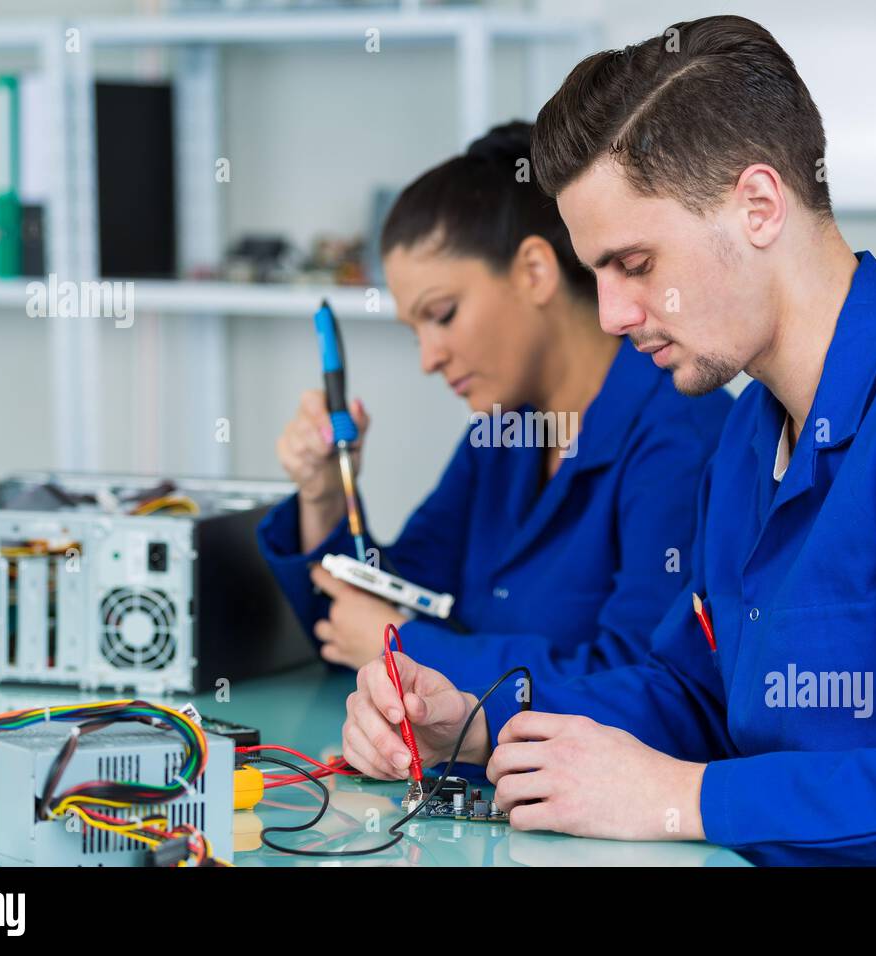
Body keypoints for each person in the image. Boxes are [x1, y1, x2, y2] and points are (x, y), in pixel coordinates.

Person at [339, 17, 876, 865]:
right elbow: (693, 695)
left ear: (758, 205)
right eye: (597, 271)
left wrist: (686, 799)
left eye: (634, 265)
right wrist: (476, 719)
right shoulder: (752, 437)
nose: (610, 315)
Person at [258, 121, 732, 693]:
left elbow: (643, 682)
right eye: (415, 332)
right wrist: (325, 494)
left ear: (535, 272)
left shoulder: (680, 438)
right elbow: (363, 620)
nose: (428, 359)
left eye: (443, 314)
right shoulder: (506, 434)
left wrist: (404, 646)